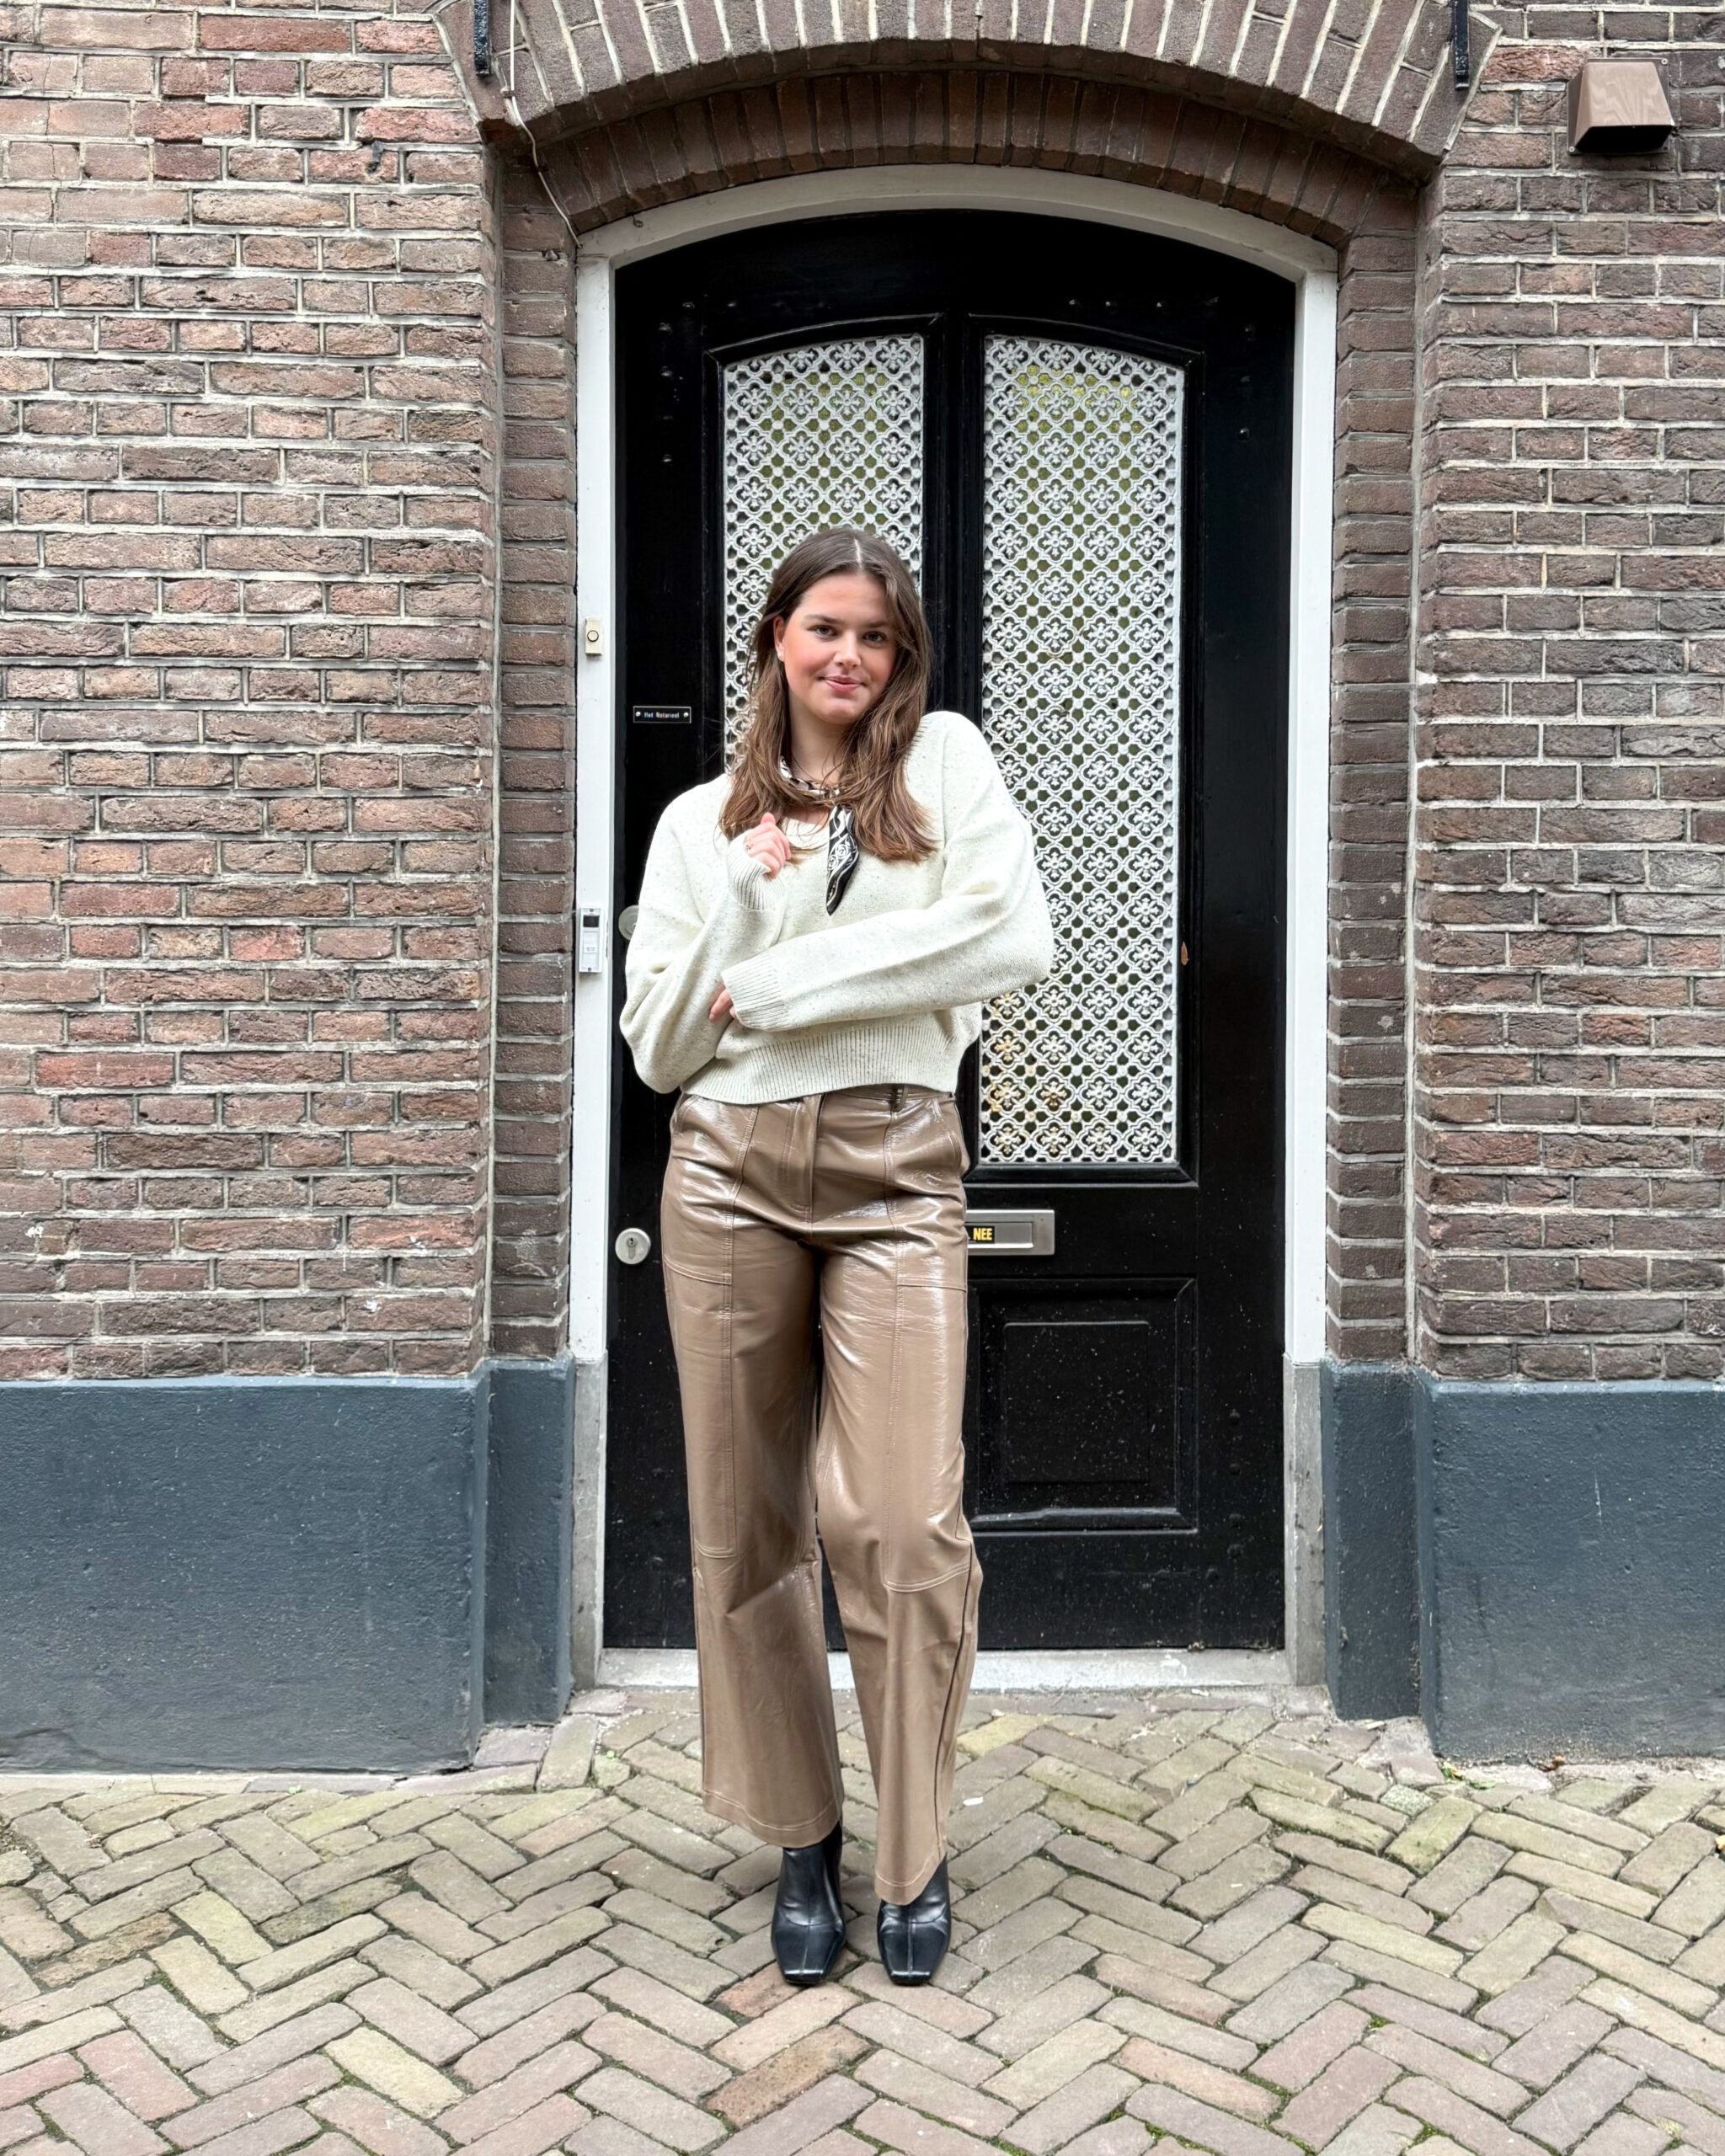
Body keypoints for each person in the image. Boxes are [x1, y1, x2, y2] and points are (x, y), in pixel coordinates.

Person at [619, 527, 1054, 1988]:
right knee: (746, 1522)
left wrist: (770, 981)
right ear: (776, 641)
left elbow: (1006, 938)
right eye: (824, 629)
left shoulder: (947, 771)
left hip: (894, 1162)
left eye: (876, 634)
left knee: (900, 1522)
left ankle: (915, 1847)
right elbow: (660, 1046)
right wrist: (747, 903)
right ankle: (803, 1837)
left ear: (902, 652)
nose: (849, 656)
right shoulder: (699, 824)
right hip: (726, 1169)